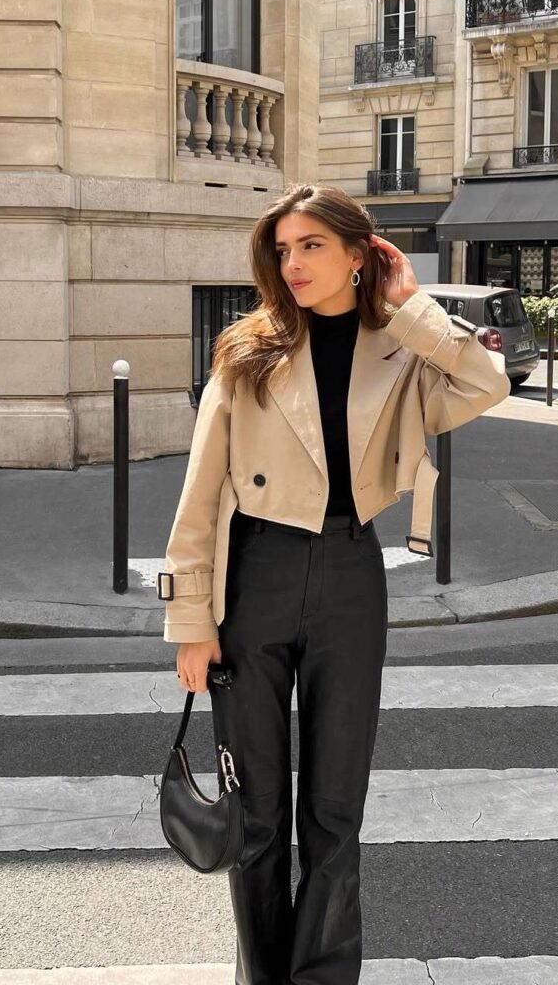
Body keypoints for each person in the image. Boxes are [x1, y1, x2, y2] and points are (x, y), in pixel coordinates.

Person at [158, 183, 510, 985]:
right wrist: (190, 621)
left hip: (352, 575)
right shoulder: (247, 351)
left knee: (334, 807)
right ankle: (263, 974)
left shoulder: (400, 351)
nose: (293, 263)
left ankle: (321, 977)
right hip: (254, 578)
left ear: (361, 254)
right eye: (283, 249)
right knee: (253, 811)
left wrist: (411, 305)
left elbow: (487, 384)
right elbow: (202, 494)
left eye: (311, 245)